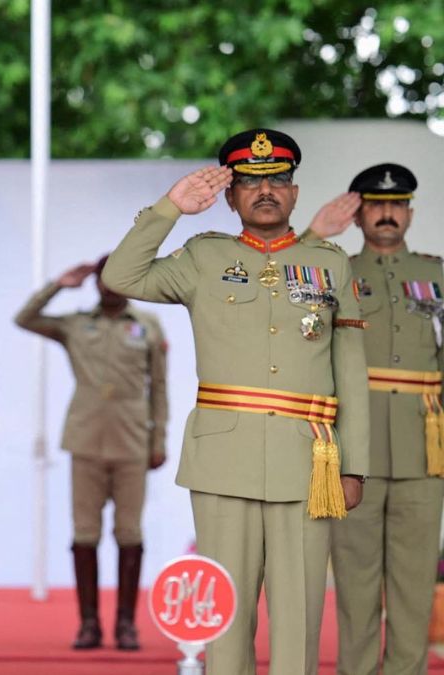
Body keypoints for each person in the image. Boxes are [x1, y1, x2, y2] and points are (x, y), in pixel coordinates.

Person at [100, 128, 369, 675]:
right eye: (249, 183)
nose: (264, 191)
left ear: (294, 192)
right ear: (230, 197)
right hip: (224, 462)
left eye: (277, 182)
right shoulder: (203, 256)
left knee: (299, 615)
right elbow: (120, 274)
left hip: (308, 461)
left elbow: (351, 373)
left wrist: (355, 464)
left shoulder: (331, 264)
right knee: (225, 615)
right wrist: (170, 208)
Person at [306, 163, 444, 675]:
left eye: (396, 204)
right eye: (376, 205)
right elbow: (283, 304)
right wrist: (313, 236)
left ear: (409, 212)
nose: (387, 214)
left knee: (413, 584)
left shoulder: (437, 275)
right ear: (359, 213)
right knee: (355, 581)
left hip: (422, 447)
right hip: (351, 450)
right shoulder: (332, 270)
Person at [15, 254, 167, 651]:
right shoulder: (76, 324)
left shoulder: (148, 326)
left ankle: (126, 625)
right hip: (86, 441)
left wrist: (159, 440)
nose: (111, 285)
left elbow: (161, 390)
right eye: (104, 278)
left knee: (130, 533)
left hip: (133, 441)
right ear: (96, 283)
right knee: (85, 533)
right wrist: (58, 285)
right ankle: (88, 624)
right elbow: (24, 318)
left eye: (118, 277)